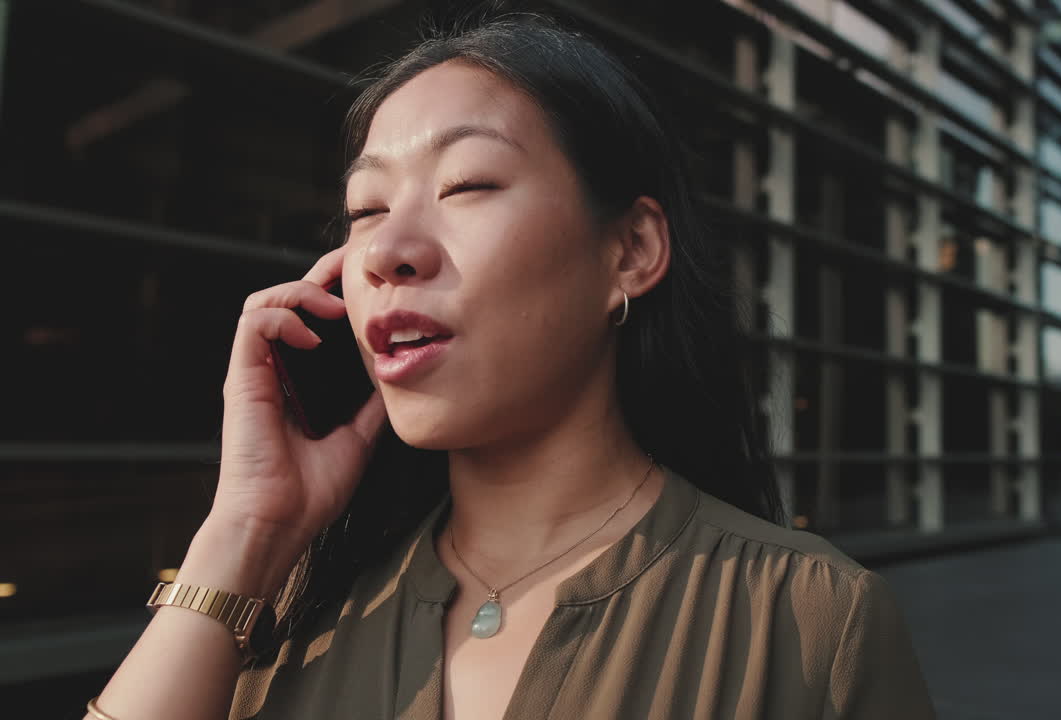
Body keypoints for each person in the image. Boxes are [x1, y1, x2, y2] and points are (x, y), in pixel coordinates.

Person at [84, 11, 935, 720]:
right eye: (365, 207)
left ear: (630, 251)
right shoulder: (286, 609)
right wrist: (243, 534)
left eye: (468, 185)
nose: (388, 252)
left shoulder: (810, 621)